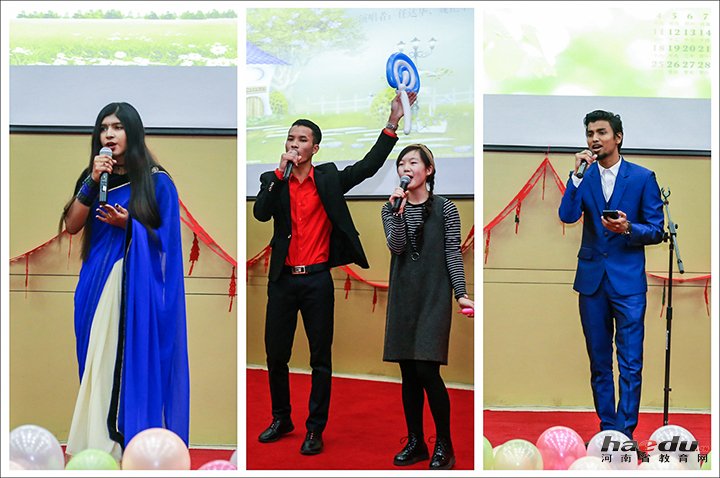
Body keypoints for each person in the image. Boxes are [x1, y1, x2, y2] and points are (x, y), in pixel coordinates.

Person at [253, 91, 416, 455]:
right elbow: (261, 213)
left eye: (302, 140)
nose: (294, 144)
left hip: (316, 281)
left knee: (319, 359)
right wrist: (279, 174)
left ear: (314, 149)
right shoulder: (272, 179)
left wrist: (392, 122)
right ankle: (281, 418)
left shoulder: (327, 179)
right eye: (290, 138)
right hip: (282, 281)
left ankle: (315, 428)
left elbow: (368, 167)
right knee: (276, 355)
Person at [61, 102, 189, 458]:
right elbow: (72, 225)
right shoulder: (93, 177)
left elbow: (168, 243)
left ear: (132, 132)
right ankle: (94, 444)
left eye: (117, 127)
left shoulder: (157, 181)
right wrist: (92, 181)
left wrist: (129, 225)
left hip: (132, 287)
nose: (109, 135)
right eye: (104, 128)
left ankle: (122, 447)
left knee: (119, 365)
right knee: (94, 363)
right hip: (93, 283)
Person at [558, 110, 664, 440]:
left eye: (601, 132)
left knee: (631, 362)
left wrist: (628, 228)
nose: (594, 139)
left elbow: (657, 230)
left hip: (628, 283)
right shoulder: (584, 177)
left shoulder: (643, 177)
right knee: (599, 362)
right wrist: (575, 178)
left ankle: (625, 432)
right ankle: (608, 431)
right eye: (590, 133)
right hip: (592, 283)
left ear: (618, 137)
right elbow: (567, 215)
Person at [381, 144, 474, 470]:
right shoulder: (390, 207)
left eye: (413, 162)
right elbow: (397, 247)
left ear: (429, 170)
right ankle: (416, 441)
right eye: (401, 164)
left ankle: (444, 444)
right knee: (408, 372)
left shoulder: (446, 208)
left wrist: (461, 293)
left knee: (426, 370)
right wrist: (398, 214)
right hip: (404, 296)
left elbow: (452, 253)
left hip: (433, 295)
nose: (406, 168)